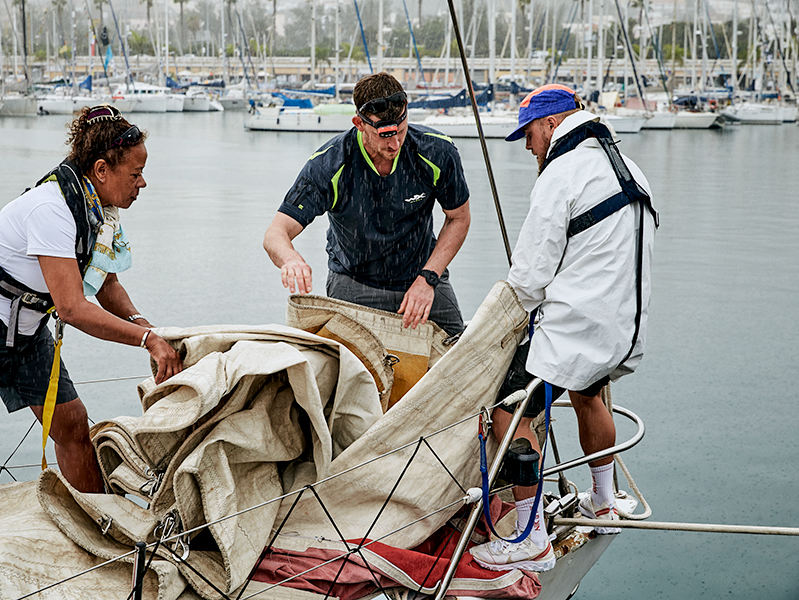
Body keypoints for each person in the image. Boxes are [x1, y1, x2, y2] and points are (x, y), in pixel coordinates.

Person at [0, 104, 183, 547]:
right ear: (103, 169)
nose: (143, 182)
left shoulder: (98, 209)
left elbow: (106, 283)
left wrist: (148, 327)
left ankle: (103, 540)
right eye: (137, 172)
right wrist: (146, 341)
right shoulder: (52, 208)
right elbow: (71, 308)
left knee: (72, 426)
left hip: (24, 325)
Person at [469, 84, 658, 572]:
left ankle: (529, 537)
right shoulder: (628, 167)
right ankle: (604, 504)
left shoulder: (561, 172)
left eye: (529, 133)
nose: (528, 146)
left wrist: (493, 326)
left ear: (552, 124)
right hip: (621, 328)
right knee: (588, 394)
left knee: (512, 410)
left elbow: (529, 278)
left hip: (575, 327)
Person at [263, 72, 471, 336]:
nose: (395, 144)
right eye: (385, 135)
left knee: (464, 354)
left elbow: (459, 218)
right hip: (353, 282)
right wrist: (290, 259)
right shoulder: (329, 164)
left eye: (401, 131)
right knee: (346, 369)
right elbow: (275, 234)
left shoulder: (438, 152)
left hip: (422, 277)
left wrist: (429, 279)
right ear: (359, 124)